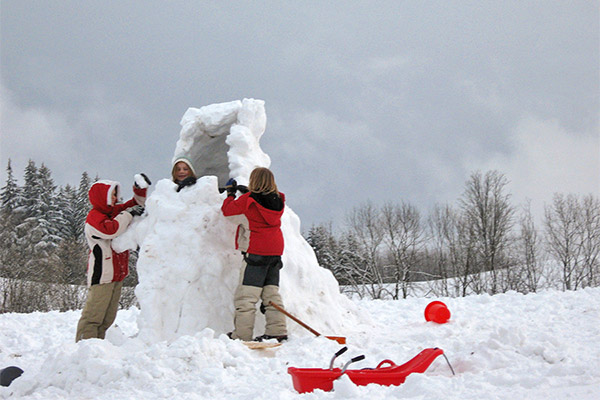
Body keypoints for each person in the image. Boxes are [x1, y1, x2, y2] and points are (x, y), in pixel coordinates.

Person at [75, 176, 148, 342]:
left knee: (108, 317)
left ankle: (98, 346)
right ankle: (83, 346)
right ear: (103, 196)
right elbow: (111, 229)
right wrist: (127, 214)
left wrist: (139, 189)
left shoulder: (113, 213)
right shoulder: (94, 217)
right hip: (102, 275)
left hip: (117, 275)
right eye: (112, 195)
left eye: (116, 194)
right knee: (94, 316)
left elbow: (133, 206)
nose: (115, 198)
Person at [221, 167, 288, 342]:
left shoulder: (248, 200)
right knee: (271, 294)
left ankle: (241, 336)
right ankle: (277, 331)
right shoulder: (277, 200)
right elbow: (262, 206)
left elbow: (228, 211)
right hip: (275, 251)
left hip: (257, 252)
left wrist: (230, 194)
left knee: (246, 297)